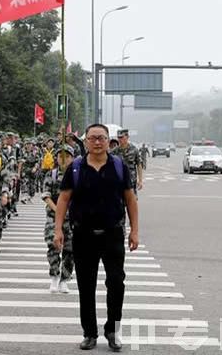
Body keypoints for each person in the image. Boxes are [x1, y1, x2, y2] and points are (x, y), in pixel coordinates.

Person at [53, 124, 139, 352]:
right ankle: (89, 333)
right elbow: (63, 199)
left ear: (108, 141)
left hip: (112, 234)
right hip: (83, 235)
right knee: (86, 285)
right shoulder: (75, 168)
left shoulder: (119, 167)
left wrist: (135, 230)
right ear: (86, 141)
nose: (97, 142)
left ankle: (113, 330)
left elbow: (130, 199)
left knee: (116, 283)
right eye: (92, 138)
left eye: (101, 138)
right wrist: (58, 229)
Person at [41, 144, 75, 294]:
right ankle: (54, 276)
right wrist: (58, 210)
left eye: (67, 156)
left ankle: (64, 279)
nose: (64, 160)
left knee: (70, 249)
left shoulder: (77, 174)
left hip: (73, 218)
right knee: (53, 246)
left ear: (72, 158)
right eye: (61, 156)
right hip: (53, 217)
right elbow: (46, 195)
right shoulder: (51, 174)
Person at [112, 129, 144, 194]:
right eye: (118, 137)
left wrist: (140, 180)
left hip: (131, 180)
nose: (119, 139)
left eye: (121, 137)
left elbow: (139, 164)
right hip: (119, 181)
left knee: (132, 201)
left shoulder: (134, 149)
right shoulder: (114, 151)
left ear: (127, 137)